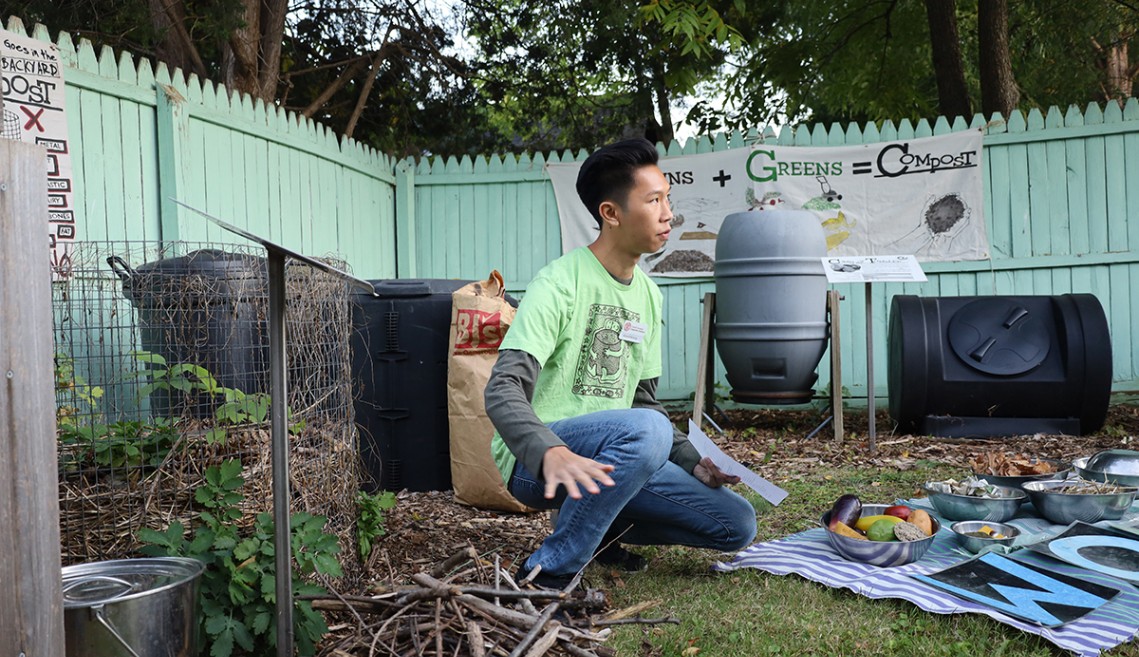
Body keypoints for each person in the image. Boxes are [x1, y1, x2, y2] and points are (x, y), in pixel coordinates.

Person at [484, 138, 757, 590]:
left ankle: (600, 535)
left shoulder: (649, 295)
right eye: (654, 201)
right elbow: (503, 389)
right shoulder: (558, 282)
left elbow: (644, 402)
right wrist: (548, 450)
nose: (669, 212)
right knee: (644, 431)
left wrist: (692, 463)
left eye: (667, 197)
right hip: (541, 461)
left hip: (617, 459)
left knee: (736, 523)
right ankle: (549, 570)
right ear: (611, 213)